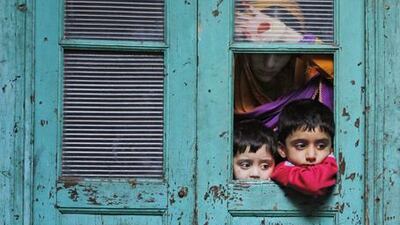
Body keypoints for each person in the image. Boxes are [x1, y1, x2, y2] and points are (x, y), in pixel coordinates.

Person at [234, 0, 334, 129]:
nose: (269, 64)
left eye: (282, 52)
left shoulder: (311, 79)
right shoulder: (226, 77)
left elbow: (350, 77)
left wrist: (293, 37)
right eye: (260, 51)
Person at [271, 99, 338, 196]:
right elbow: (314, 184)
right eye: (301, 146)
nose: (311, 155)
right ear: (282, 149)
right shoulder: (282, 170)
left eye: (321, 146)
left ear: (331, 148)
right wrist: (330, 161)